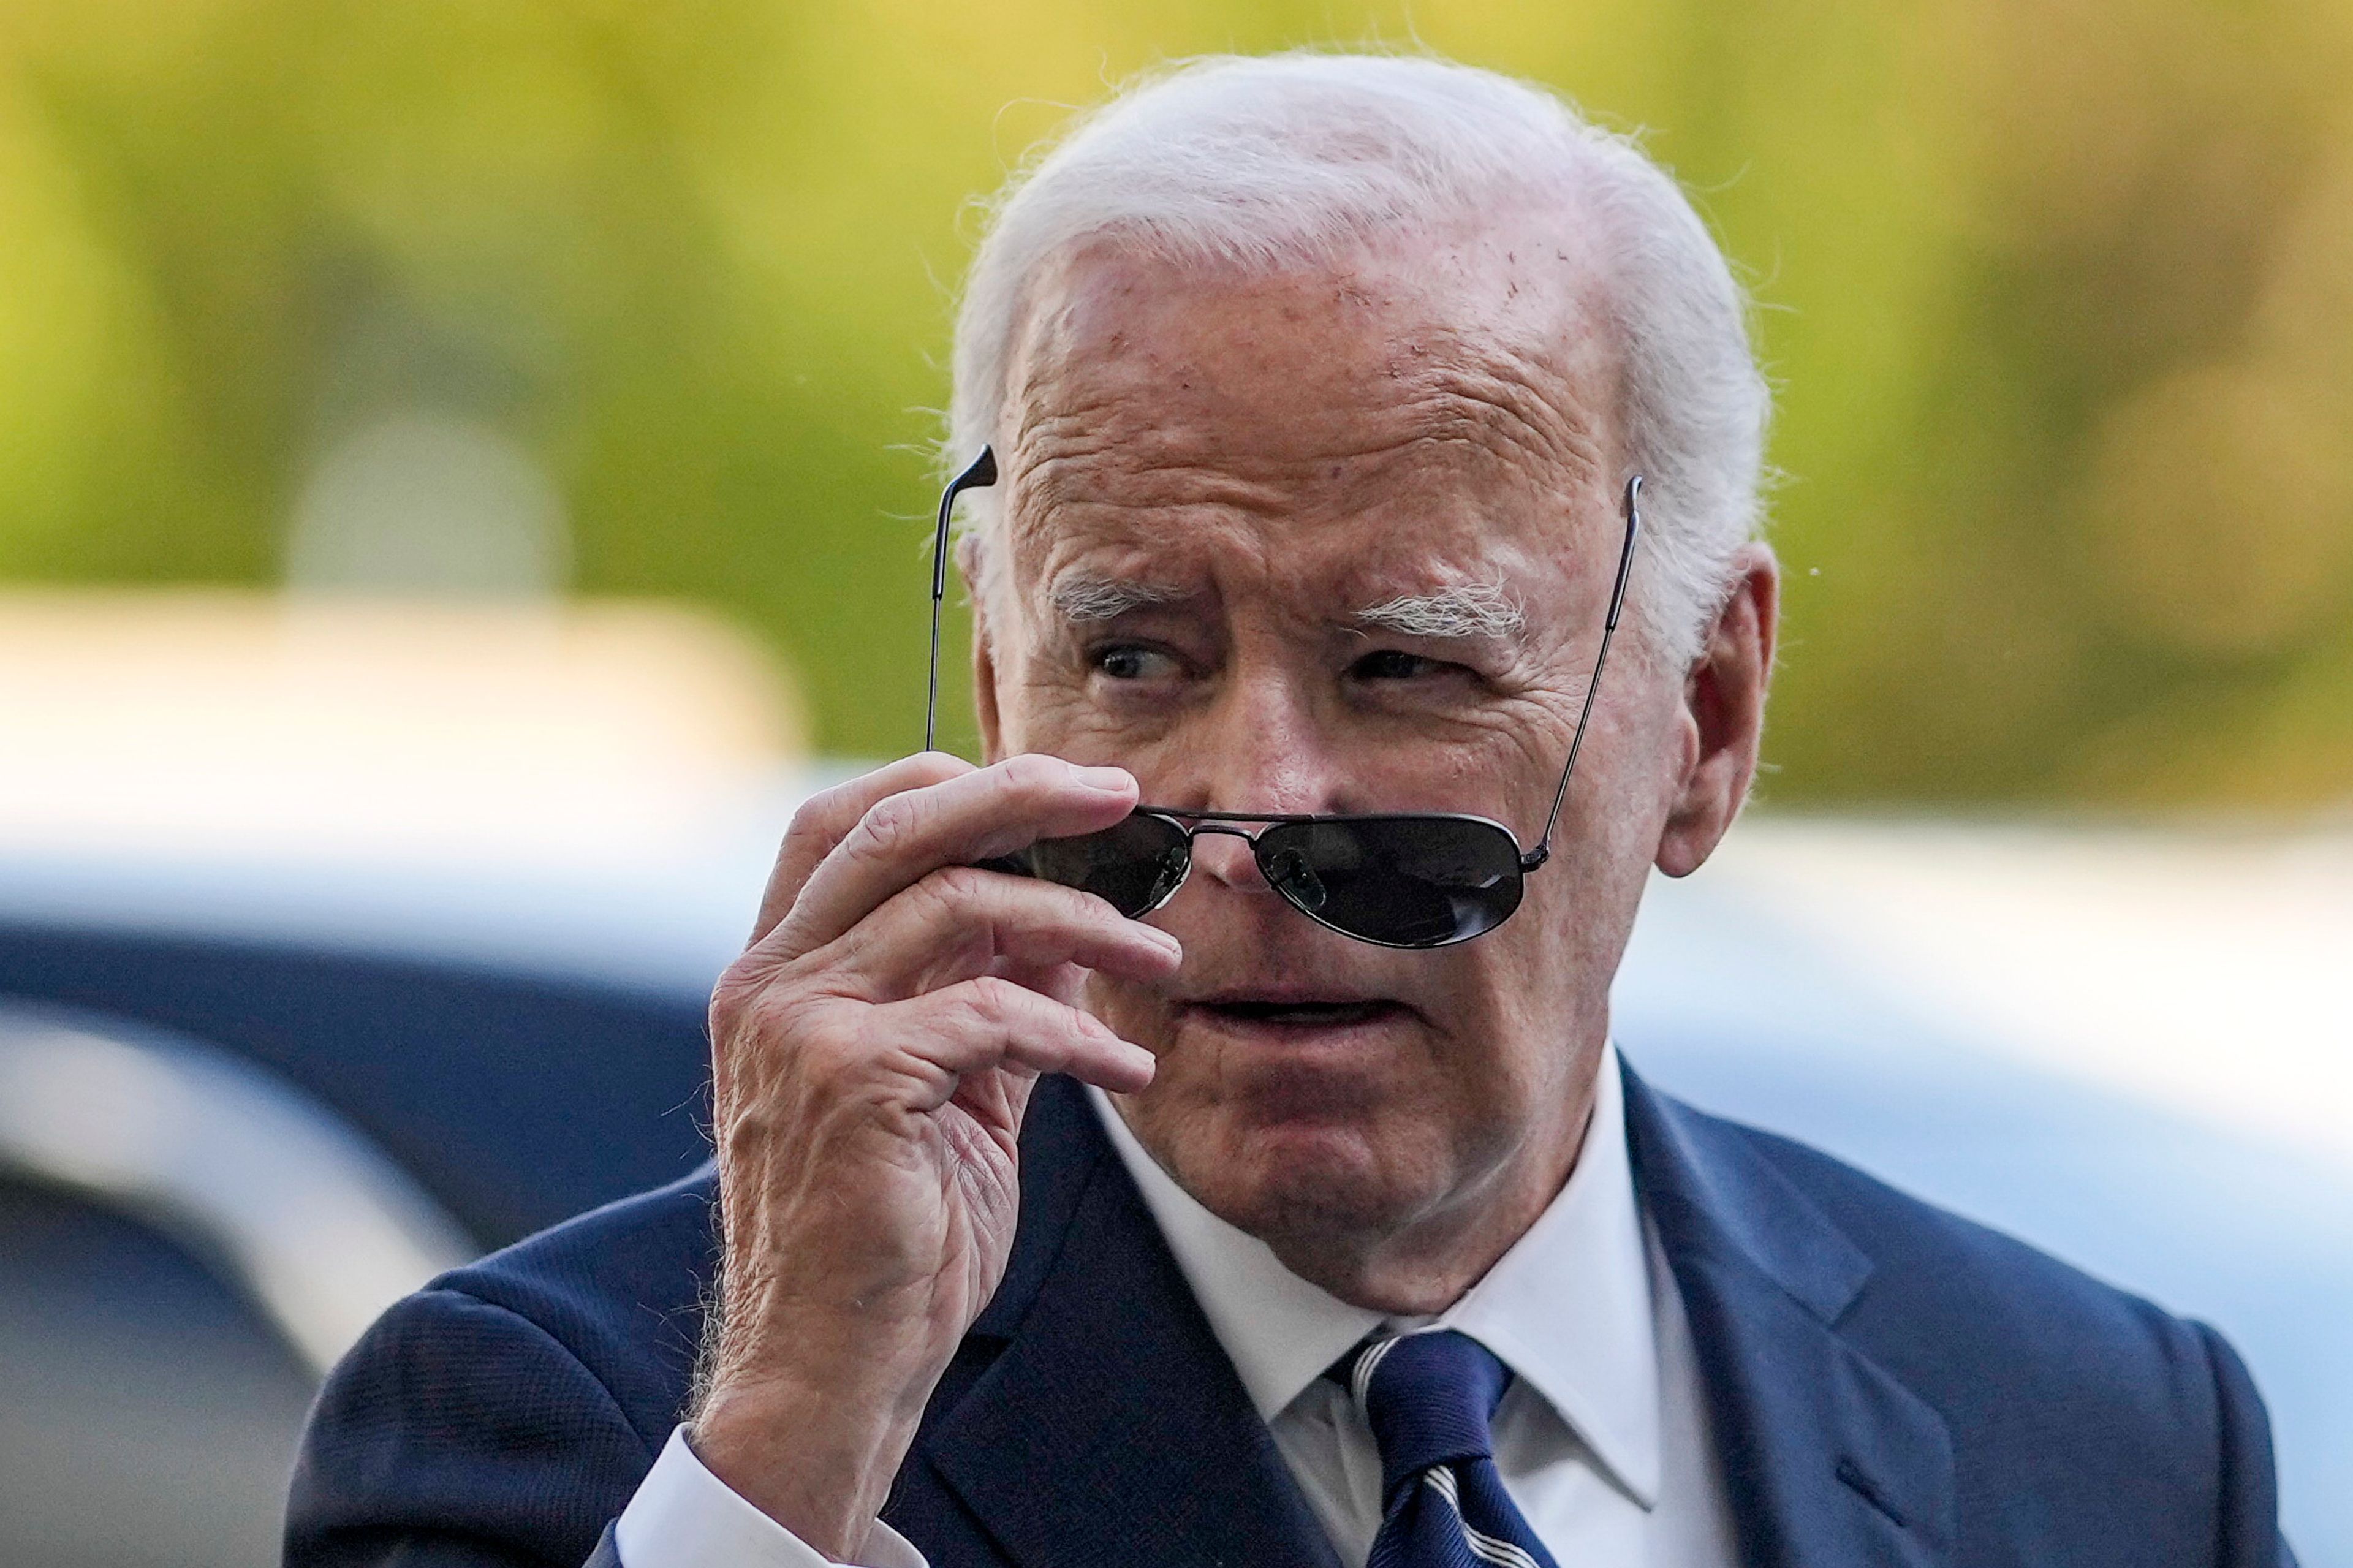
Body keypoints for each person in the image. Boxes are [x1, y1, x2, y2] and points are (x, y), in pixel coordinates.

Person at [285, 51, 2297, 1568]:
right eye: (1138, 659)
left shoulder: (2107, 1443)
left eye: (1405, 667)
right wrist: (802, 1446)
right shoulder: (599, 1434)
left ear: (1705, 712)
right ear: (999, 697)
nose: (1248, 804)